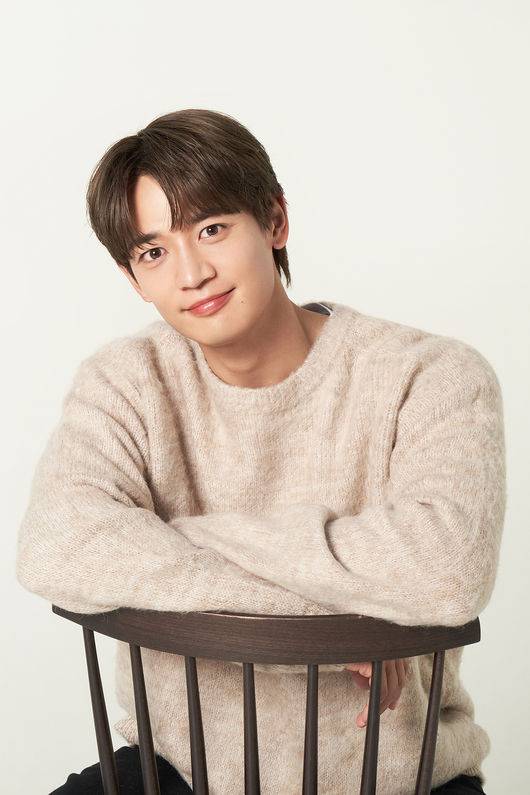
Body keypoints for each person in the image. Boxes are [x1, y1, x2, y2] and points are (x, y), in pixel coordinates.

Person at [17, 108, 505, 794]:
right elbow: (55, 544)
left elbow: (448, 572)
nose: (191, 273)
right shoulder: (124, 382)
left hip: (396, 777)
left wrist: (166, 537)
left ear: (275, 221)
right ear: (133, 278)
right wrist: (341, 615)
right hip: (180, 771)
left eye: (211, 229)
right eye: (153, 252)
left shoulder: (433, 375)